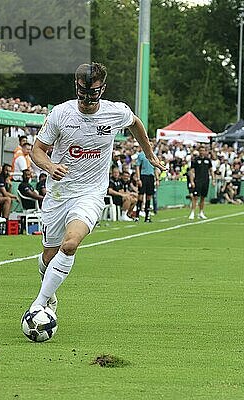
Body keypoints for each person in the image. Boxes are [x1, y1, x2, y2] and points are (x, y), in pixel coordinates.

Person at [27, 62, 163, 314]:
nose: (87, 99)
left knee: (70, 244)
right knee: (48, 257)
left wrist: (149, 154)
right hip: (58, 193)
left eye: (93, 93)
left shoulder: (115, 112)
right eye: (82, 92)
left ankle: (37, 306)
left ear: (103, 89)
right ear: (76, 87)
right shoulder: (60, 114)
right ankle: (49, 293)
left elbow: (135, 123)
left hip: (90, 193)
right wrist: (50, 166)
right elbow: (36, 150)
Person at [188, 145, 215, 219]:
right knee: (195, 197)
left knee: (203, 197)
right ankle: (192, 212)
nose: (202, 152)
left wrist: (213, 180)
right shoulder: (195, 160)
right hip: (197, 181)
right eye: (201, 151)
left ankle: (201, 212)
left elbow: (211, 170)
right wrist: (192, 181)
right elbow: (191, 171)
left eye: (203, 150)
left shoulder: (208, 160)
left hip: (205, 180)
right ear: (198, 151)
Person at [136, 149, 160, 222]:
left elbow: (155, 168)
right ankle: (137, 215)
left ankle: (147, 216)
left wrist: (157, 179)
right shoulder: (141, 155)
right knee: (140, 196)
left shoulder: (154, 155)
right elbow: (137, 166)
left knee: (149, 197)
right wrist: (138, 178)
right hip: (143, 176)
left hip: (151, 177)